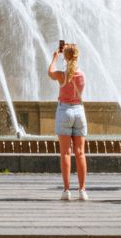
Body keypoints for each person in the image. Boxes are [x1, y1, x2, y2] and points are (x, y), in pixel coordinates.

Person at [48, 41, 88, 201]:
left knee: (66, 153)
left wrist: (54, 58)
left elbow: (50, 72)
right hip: (79, 112)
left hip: (64, 111)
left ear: (65, 57)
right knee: (80, 153)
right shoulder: (82, 75)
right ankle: (83, 190)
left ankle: (66, 190)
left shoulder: (62, 75)